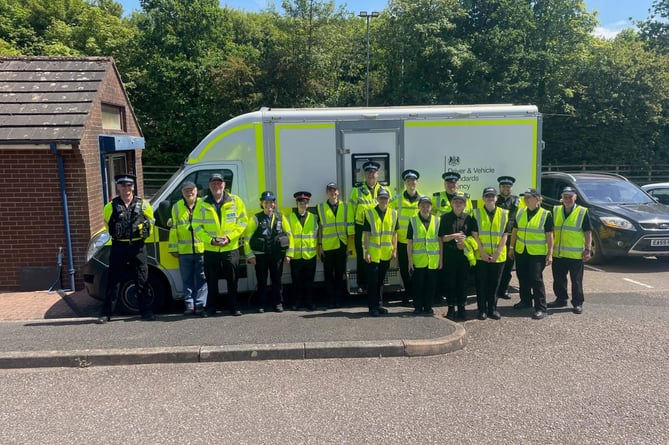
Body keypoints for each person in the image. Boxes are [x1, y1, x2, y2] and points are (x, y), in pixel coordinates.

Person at [98, 174, 155, 323]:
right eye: (123, 185)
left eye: (129, 185)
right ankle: (107, 313)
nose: (126, 188)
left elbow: (151, 223)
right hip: (119, 245)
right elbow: (107, 226)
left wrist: (145, 232)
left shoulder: (143, 204)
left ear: (133, 187)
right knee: (113, 280)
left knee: (142, 279)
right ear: (118, 187)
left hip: (138, 246)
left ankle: (146, 312)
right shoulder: (110, 206)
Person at [194, 173, 248, 316]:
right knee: (211, 281)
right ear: (209, 185)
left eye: (219, 183)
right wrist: (209, 240)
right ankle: (211, 308)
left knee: (233, 280)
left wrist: (229, 237)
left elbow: (243, 222)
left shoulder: (236, 201)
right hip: (211, 249)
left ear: (224, 185)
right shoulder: (202, 203)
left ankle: (234, 307)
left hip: (231, 248)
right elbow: (196, 226)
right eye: (213, 183)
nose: (216, 185)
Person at [509, 188, 554, 320]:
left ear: (537, 199)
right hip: (521, 250)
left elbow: (550, 235)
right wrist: (512, 247)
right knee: (522, 277)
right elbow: (515, 230)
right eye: (525, 197)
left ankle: (541, 307)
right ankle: (526, 301)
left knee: (536, 279)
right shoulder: (521, 212)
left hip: (537, 253)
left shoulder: (546, 214)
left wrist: (550, 253)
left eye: (529, 197)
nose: (526, 199)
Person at [244, 191, 292, 313]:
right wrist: (250, 255)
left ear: (274, 204)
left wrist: (289, 254)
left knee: (277, 280)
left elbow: (290, 235)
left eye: (271, 202)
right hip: (260, 256)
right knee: (262, 281)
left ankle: (278, 303)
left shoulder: (281, 217)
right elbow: (247, 238)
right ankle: (262, 304)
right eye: (266, 202)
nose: (268, 204)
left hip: (277, 256)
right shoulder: (256, 218)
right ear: (262, 203)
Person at [548, 186, 592, 314]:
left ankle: (577, 303)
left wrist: (588, 249)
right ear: (561, 197)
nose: (567, 199)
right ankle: (561, 299)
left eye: (570, 196)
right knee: (558, 279)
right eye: (565, 196)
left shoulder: (582, 211)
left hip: (575, 254)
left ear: (575, 197)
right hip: (558, 253)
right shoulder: (555, 210)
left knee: (576, 280)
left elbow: (588, 232)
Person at [168, 181, 207, 316]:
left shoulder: (204, 204)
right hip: (184, 251)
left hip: (202, 248)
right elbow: (174, 229)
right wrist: (173, 248)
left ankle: (200, 305)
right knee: (186, 279)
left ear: (197, 190)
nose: (189, 192)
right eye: (186, 191)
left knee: (202, 279)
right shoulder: (176, 207)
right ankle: (189, 305)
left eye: (191, 190)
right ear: (182, 193)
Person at [473, 186, 511, 320]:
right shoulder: (476, 213)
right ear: (483, 198)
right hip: (481, 255)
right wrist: (482, 252)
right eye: (487, 196)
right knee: (481, 284)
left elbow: (505, 235)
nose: (490, 198)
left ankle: (492, 309)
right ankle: (482, 310)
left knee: (495, 284)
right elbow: (474, 235)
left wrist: (496, 254)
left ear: (496, 198)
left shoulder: (504, 214)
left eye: (492, 196)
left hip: (498, 256)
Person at [438, 192, 477, 321]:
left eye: (461, 202)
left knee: (463, 283)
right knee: (450, 283)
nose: (458, 204)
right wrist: (453, 236)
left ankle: (462, 308)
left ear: (465, 205)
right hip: (449, 255)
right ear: (451, 204)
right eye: (456, 202)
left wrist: (464, 244)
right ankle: (450, 308)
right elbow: (441, 238)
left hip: (463, 256)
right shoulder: (445, 218)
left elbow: (473, 237)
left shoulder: (469, 219)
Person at [317, 182, 354, 309]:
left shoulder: (346, 206)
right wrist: (320, 246)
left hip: (341, 244)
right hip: (327, 246)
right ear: (327, 193)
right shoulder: (320, 207)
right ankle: (330, 299)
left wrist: (349, 246)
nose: (333, 193)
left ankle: (339, 299)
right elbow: (320, 229)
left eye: (335, 191)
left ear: (338, 192)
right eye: (330, 191)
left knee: (339, 274)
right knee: (328, 274)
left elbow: (350, 226)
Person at [362, 187, 398, 316]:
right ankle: (372, 307)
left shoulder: (393, 213)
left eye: (385, 198)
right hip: (373, 254)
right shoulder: (369, 213)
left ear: (388, 200)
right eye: (381, 198)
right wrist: (366, 251)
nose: (383, 200)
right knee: (373, 282)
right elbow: (366, 234)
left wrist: (394, 250)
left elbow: (394, 233)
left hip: (386, 253)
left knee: (381, 281)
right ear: (377, 199)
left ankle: (380, 305)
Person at [349, 160, 383, 294]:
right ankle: (361, 284)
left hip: (379, 230)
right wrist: (351, 229)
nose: (371, 175)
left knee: (376, 256)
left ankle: (374, 284)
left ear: (377, 174)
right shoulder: (357, 191)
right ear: (364, 174)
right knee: (362, 256)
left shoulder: (384, 190)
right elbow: (351, 210)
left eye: (373, 172)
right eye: (368, 172)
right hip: (361, 228)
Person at [390, 169, 422, 306]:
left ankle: (415, 295)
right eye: (408, 181)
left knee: (417, 269)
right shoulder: (396, 199)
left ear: (417, 182)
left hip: (418, 241)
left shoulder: (423, 200)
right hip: (402, 241)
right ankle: (407, 294)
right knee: (404, 269)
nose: (411, 183)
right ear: (405, 183)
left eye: (413, 180)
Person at [406, 195, 442, 315]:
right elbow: (409, 242)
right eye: (423, 206)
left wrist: (441, 259)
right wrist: (410, 261)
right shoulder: (413, 220)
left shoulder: (437, 221)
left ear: (431, 207)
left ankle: (428, 307)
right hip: (418, 260)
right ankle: (417, 307)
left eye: (427, 206)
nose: (425, 208)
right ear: (419, 207)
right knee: (418, 285)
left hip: (433, 260)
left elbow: (440, 241)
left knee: (431, 286)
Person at [289, 191, 318, 310]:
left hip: (310, 255)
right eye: (300, 202)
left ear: (308, 204)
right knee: (296, 282)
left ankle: (309, 302)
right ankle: (297, 302)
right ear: (296, 203)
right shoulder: (289, 218)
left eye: (305, 202)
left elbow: (318, 234)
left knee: (309, 282)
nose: (302, 204)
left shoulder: (314, 217)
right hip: (295, 256)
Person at [495, 175, 522, 300]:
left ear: (511, 188)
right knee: (496, 265)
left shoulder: (517, 201)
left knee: (508, 266)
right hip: (497, 238)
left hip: (511, 237)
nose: (506, 188)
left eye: (508, 186)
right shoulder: (494, 200)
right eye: (504, 186)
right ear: (500, 187)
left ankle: (504, 289)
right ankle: (495, 289)